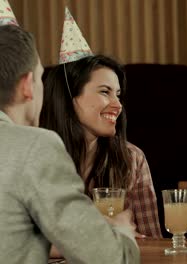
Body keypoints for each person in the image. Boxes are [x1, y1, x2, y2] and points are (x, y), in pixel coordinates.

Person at [0, 25, 139, 263]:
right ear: (27, 85)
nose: (117, 105)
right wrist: (122, 232)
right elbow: (111, 257)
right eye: (40, 78)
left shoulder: (131, 157)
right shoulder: (36, 146)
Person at [40, 54, 163, 239]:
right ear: (69, 97)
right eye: (105, 92)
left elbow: (153, 242)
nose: (118, 105)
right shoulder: (35, 158)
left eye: (118, 95)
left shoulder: (132, 158)